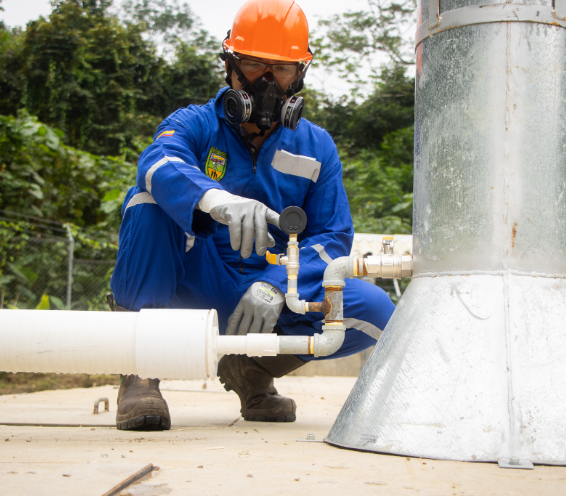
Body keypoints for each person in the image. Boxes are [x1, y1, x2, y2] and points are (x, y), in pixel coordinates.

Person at [110, 0, 396, 431]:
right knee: (148, 201)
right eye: (254, 64)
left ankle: (252, 369)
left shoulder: (316, 147)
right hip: (193, 279)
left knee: (374, 310)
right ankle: (140, 373)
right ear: (230, 65)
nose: (267, 80)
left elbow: (333, 237)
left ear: (299, 74)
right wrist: (212, 199)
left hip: (267, 293)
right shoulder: (193, 124)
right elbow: (158, 161)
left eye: (280, 68)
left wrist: (278, 284)